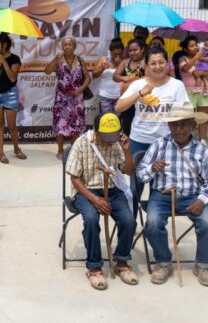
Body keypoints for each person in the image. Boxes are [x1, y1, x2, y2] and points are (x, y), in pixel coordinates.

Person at [136, 102, 208, 287]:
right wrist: (152, 168)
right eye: (174, 124)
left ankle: (203, 265)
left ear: (193, 125)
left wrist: (202, 199)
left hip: (192, 197)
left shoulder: (201, 150)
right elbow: (140, 174)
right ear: (168, 126)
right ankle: (164, 263)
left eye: (184, 124)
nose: (179, 129)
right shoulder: (159, 145)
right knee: (152, 223)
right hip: (162, 195)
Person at [65, 112, 137, 290]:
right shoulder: (82, 142)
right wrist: (95, 200)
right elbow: (74, 178)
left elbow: (128, 171)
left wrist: (127, 151)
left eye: (113, 137)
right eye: (106, 137)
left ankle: (122, 261)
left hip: (112, 190)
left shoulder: (117, 142)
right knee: (90, 218)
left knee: (129, 220)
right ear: (96, 132)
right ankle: (94, 266)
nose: (109, 141)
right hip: (86, 190)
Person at [115, 46, 189, 214]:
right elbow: (119, 106)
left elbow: (184, 115)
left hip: (165, 145)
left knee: (160, 188)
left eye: (161, 62)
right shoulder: (138, 84)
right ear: (146, 65)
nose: (157, 67)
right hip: (139, 142)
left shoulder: (176, 86)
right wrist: (140, 93)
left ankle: (154, 224)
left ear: (167, 63)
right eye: (153, 63)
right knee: (135, 188)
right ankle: (131, 222)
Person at [45, 37, 91, 160]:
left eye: (70, 44)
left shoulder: (80, 60)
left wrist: (81, 89)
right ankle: (60, 150)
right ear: (62, 47)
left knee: (75, 125)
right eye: (65, 44)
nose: (67, 47)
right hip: (61, 98)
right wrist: (55, 58)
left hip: (77, 99)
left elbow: (87, 78)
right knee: (60, 124)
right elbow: (47, 71)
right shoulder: (59, 60)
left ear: (74, 46)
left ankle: (73, 150)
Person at [0, 32, 26, 164]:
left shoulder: (15, 59)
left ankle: (16, 149)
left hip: (10, 94)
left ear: (4, 45)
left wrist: (4, 63)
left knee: (12, 126)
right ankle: (1, 153)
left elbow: (12, 77)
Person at [177, 36, 208, 143]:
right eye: (191, 46)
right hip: (189, 92)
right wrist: (196, 58)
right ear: (185, 49)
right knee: (189, 118)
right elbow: (185, 68)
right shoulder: (183, 59)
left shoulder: (202, 59)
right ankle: (188, 140)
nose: (195, 47)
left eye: (196, 45)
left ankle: (202, 141)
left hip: (203, 91)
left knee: (203, 118)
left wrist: (201, 72)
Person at [113, 38, 146, 136]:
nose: (132, 53)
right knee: (127, 126)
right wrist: (124, 78)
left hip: (142, 99)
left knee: (140, 125)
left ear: (142, 49)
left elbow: (150, 77)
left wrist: (132, 82)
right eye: (130, 50)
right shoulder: (125, 62)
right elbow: (115, 76)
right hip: (127, 99)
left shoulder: (146, 62)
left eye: (135, 50)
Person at [92, 38, 125, 115]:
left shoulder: (125, 61)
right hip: (105, 96)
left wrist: (121, 66)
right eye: (115, 54)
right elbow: (94, 75)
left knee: (117, 121)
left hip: (119, 97)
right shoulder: (104, 60)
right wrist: (102, 68)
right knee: (107, 120)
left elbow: (128, 78)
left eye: (120, 54)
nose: (118, 56)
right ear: (111, 53)